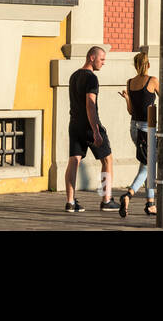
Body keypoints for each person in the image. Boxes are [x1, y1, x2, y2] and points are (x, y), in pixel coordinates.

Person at [117, 52, 163, 218]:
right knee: (148, 166)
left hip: (134, 128)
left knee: (146, 164)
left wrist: (128, 98)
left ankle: (150, 203)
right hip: (148, 127)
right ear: (148, 64)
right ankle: (128, 194)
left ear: (136, 66)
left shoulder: (130, 83)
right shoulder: (152, 81)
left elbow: (130, 111)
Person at [65, 46, 115, 212]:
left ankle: (70, 202)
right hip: (89, 125)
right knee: (107, 159)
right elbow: (90, 105)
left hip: (74, 124)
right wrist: (95, 130)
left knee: (74, 160)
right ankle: (106, 199)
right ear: (92, 57)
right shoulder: (91, 78)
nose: (103, 63)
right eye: (102, 59)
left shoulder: (74, 76)